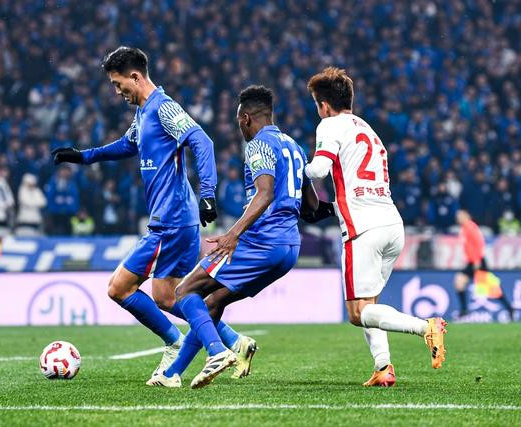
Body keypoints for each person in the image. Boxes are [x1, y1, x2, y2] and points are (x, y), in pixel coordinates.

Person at [52, 46, 250, 382]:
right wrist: (84, 156)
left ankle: (180, 344)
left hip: (170, 220)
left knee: (119, 288)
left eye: (118, 84)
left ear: (135, 76)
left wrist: (207, 193)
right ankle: (233, 342)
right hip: (175, 219)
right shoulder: (143, 113)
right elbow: (126, 145)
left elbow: (202, 141)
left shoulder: (163, 107)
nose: (117, 91)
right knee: (169, 296)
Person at [149, 85, 319, 388]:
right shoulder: (294, 146)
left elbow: (264, 194)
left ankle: (217, 352)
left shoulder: (258, 144)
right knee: (213, 302)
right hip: (289, 248)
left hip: (262, 241)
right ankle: (172, 374)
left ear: (245, 118)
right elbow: (312, 206)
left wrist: (232, 234)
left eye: (238, 120)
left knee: (185, 290)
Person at [303, 67, 447, 387]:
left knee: (358, 313)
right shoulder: (369, 131)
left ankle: (425, 327)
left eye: (316, 104)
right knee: (370, 305)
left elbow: (319, 170)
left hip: (363, 230)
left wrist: (298, 164)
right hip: (391, 224)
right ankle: (383, 367)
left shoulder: (330, 124)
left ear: (324, 105)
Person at [454, 209, 514, 318]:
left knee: (490, 288)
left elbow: (479, 242)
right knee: (459, 281)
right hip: (472, 262)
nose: (458, 218)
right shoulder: (465, 228)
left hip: (477, 262)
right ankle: (464, 310)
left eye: (460, 215)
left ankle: (509, 308)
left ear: (467, 215)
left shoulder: (470, 227)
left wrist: (477, 260)